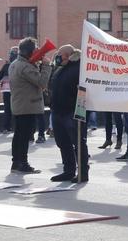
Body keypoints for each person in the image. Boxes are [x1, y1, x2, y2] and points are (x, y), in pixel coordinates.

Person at [8, 38, 51, 174]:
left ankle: (16, 162)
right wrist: (46, 66)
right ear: (30, 51)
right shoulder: (25, 66)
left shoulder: (15, 64)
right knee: (25, 135)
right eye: (36, 49)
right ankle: (23, 163)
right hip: (27, 106)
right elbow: (42, 82)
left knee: (19, 135)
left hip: (20, 105)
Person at [48, 45, 85, 182]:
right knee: (63, 143)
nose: (58, 57)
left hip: (71, 111)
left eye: (60, 54)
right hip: (57, 111)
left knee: (78, 142)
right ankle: (68, 171)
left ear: (69, 55)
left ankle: (82, 172)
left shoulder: (78, 68)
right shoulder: (61, 68)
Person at [0, 47, 17, 134]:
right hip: (16, 90)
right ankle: (14, 127)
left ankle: (6, 127)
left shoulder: (6, 65)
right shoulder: (18, 65)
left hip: (6, 90)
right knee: (15, 109)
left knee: (7, 109)